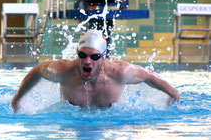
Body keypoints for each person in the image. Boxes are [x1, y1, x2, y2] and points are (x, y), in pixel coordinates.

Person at [11, 29, 180, 111]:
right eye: (82, 55)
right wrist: (18, 99)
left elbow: (150, 76)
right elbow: (38, 70)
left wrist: (172, 96)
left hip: (110, 130)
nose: (87, 61)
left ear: (103, 57)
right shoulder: (64, 72)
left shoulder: (120, 73)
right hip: (72, 130)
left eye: (94, 57)